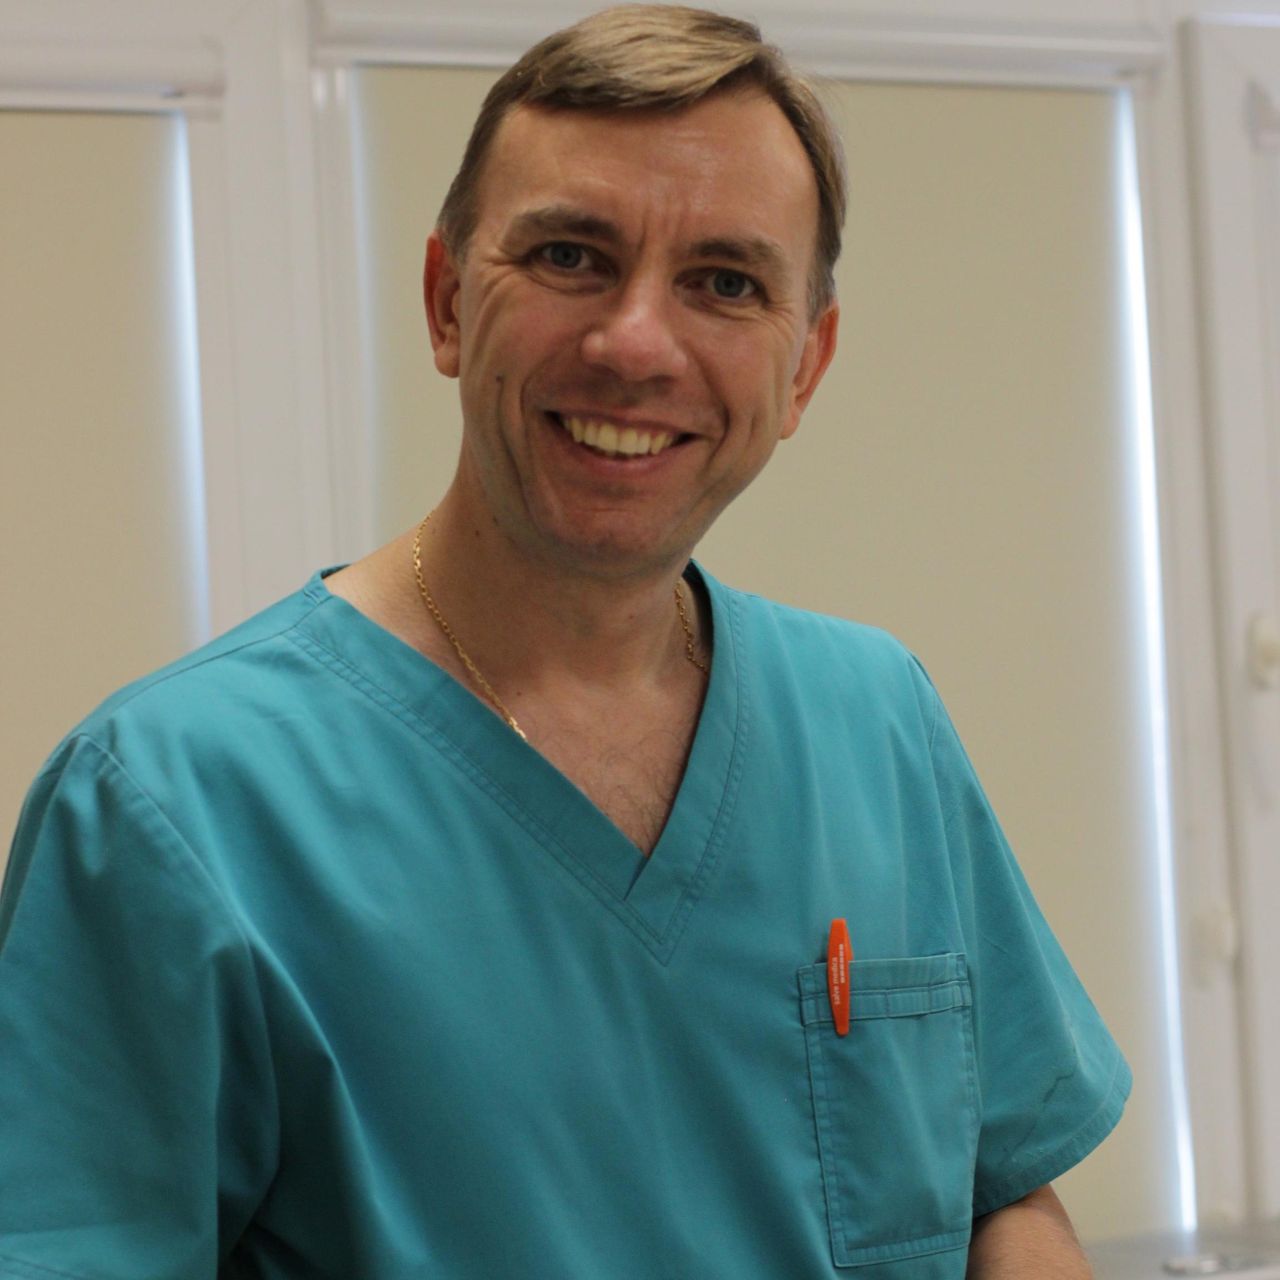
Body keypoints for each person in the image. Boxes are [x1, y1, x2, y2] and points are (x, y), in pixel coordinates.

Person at [0, 6, 1129, 1278]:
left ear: (803, 368)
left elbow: (1002, 1194)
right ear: (445, 303)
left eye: (724, 282)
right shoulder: (169, 803)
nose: (634, 342)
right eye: (570, 256)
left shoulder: (876, 722)